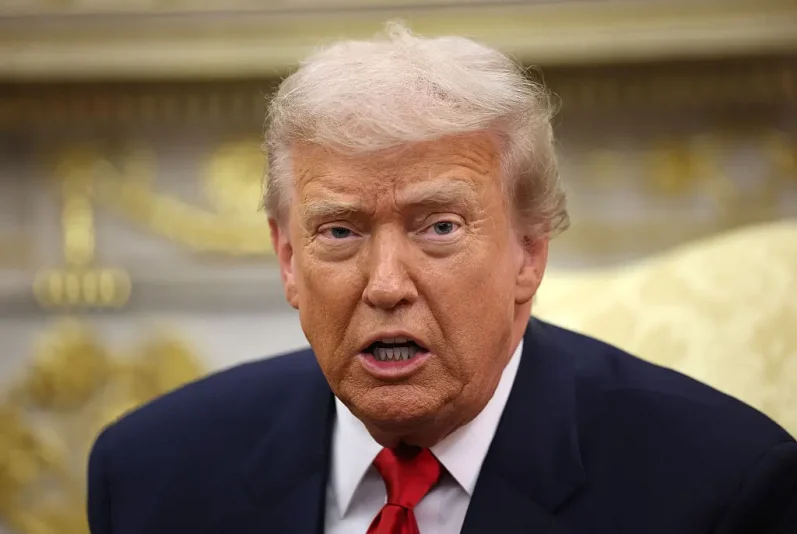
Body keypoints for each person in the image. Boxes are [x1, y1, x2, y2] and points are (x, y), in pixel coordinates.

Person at [87, 23, 797, 534]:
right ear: (287, 261)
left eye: (439, 228)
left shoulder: (721, 489)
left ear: (528, 252)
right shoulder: (150, 474)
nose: (386, 285)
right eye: (340, 231)